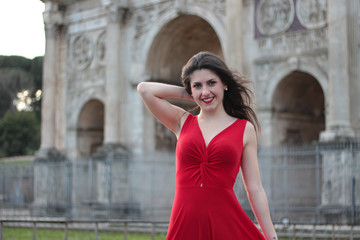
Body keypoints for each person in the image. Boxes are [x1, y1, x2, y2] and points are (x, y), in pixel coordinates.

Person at [137, 51, 277, 240]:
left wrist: (272, 237)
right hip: (184, 226)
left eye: (212, 83)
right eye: (197, 85)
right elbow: (144, 89)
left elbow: (255, 188)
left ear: (225, 84)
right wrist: (193, 95)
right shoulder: (181, 121)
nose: (205, 91)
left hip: (226, 225)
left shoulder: (245, 129)